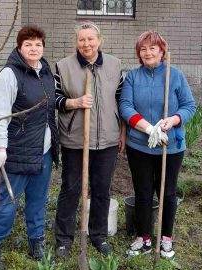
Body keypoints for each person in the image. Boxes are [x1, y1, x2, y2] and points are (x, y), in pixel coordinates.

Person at [0, 25, 59, 270]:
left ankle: (36, 241)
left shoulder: (46, 73)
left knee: (38, 200)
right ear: (19, 47)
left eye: (38, 44)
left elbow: (50, 112)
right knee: (8, 200)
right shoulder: (9, 74)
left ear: (43, 47)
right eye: (28, 44)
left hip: (43, 151)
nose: (34, 48)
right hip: (16, 150)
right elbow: (0, 115)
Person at [119, 31, 196, 259]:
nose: (147, 53)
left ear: (162, 51)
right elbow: (125, 107)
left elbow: (189, 106)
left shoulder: (175, 76)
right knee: (142, 192)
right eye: (143, 49)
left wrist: (172, 120)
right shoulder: (133, 77)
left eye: (152, 48)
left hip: (170, 146)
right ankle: (143, 237)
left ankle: (166, 238)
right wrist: (148, 128)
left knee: (167, 192)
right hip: (139, 146)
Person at [54, 21, 125, 257]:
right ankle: (64, 239)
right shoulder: (63, 66)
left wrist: (121, 132)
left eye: (90, 39)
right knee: (71, 189)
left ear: (99, 40)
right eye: (81, 39)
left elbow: (121, 100)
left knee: (102, 189)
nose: (86, 44)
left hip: (107, 140)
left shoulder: (115, 65)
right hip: (75, 140)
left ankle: (98, 235)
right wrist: (74, 102)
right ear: (76, 42)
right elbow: (54, 99)